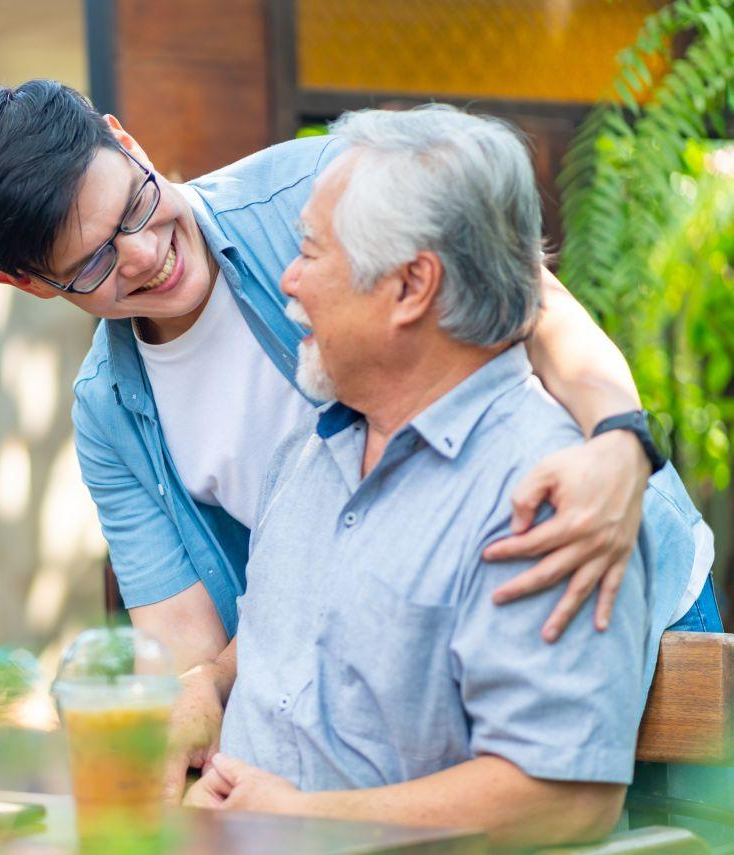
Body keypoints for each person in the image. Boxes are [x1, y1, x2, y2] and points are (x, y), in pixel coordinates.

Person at [0, 78, 718, 726]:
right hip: (430, 682)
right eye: (94, 260)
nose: (144, 254)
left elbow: (538, 311)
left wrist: (619, 445)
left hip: (601, 562)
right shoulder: (111, 415)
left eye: (136, 203)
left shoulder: (327, 190)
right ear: (27, 282)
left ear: (125, 140)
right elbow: (192, 658)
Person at [181, 105, 653, 848]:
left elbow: (565, 794)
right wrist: (206, 682)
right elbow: (305, 628)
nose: (288, 279)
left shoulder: (541, 490)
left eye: (310, 253)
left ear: (410, 287)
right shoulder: (310, 449)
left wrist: (298, 821)